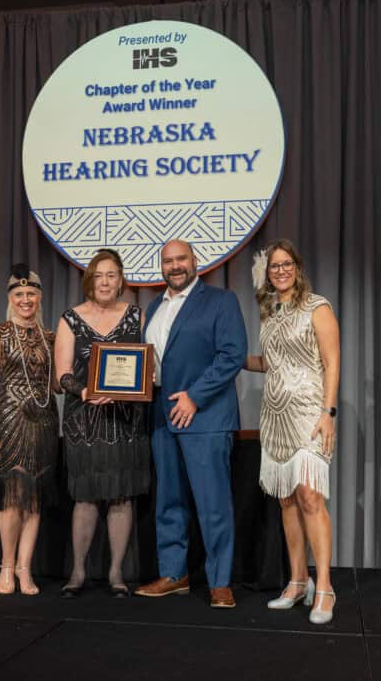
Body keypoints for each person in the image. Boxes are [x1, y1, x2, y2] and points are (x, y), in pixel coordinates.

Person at [134, 240, 247, 608]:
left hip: (205, 416)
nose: (175, 266)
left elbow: (232, 355)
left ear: (195, 261)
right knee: (169, 502)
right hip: (162, 417)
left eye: (181, 258)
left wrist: (195, 396)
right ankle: (173, 574)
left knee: (213, 504)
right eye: (168, 261)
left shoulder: (221, 301)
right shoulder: (154, 307)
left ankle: (220, 582)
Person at [244, 239, 340, 624]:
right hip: (274, 416)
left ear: (297, 268)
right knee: (286, 500)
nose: (280, 271)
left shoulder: (318, 307)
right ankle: (298, 582)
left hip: (309, 414)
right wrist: (233, 358)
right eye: (274, 266)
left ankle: (325, 587)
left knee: (310, 496)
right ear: (267, 273)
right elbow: (271, 363)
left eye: (287, 264)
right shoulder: (269, 311)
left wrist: (328, 413)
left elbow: (332, 362)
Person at [54, 249, 151, 598]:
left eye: (111, 275)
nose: (105, 282)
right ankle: (78, 572)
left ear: (121, 280)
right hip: (85, 421)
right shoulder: (71, 319)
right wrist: (84, 392)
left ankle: (116, 573)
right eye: (99, 275)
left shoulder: (137, 316)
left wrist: (145, 380)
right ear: (89, 280)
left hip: (126, 421)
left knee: (122, 497)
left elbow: (149, 364)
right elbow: (62, 374)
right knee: (86, 498)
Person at [0, 263, 59, 596]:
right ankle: (7, 566)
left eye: (31, 293)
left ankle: (25, 568)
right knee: (14, 494)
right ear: (10, 298)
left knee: (34, 497)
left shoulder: (50, 338)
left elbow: (57, 383)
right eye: (19, 294)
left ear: (40, 297)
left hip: (45, 421)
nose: (26, 299)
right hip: (11, 419)